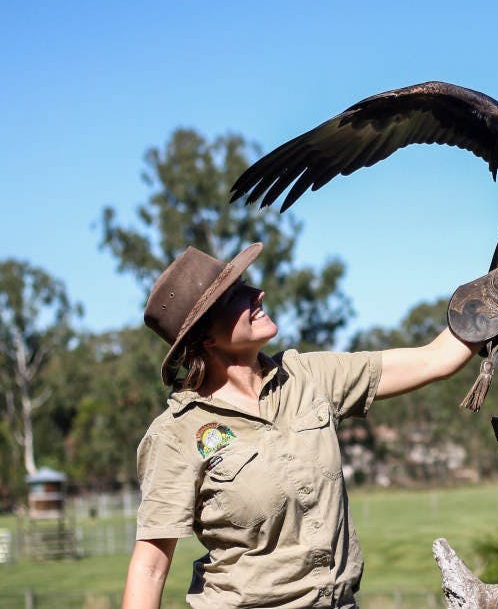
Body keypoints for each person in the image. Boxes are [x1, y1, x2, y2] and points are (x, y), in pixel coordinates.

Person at [121, 243, 478, 608]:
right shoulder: (175, 435)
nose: (257, 294)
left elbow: (436, 360)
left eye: (245, 284)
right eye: (233, 296)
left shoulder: (307, 376)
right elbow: (150, 568)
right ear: (206, 337)